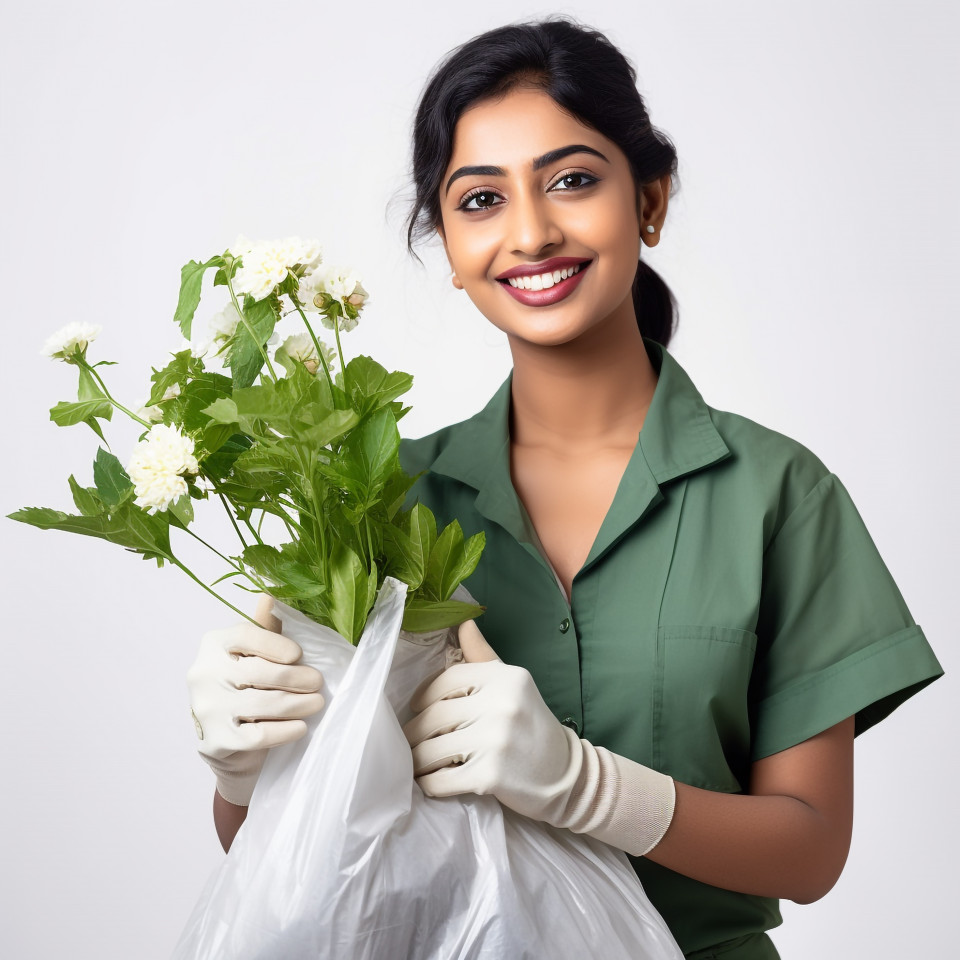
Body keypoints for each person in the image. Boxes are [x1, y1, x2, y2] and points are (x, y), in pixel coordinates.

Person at [186, 16, 945, 960]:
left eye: (573, 180)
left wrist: (592, 787)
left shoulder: (777, 495)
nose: (532, 233)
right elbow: (293, 852)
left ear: (651, 203)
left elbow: (811, 850)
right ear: (448, 246)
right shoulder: (372, 502)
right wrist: (243, 767)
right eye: (480, 200)